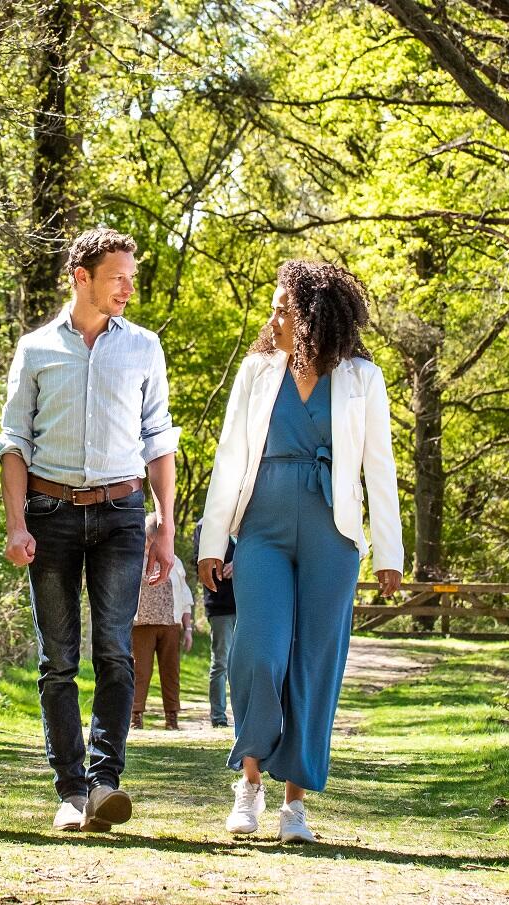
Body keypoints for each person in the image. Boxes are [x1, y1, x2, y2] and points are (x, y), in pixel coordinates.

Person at [197, 260, 404, 844]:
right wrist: (214, 542)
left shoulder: (362, 378)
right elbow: (229, 456)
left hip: (332, 536)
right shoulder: (258, 371)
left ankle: (294, 806)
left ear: (312, 316)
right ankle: (250, 780)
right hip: (260, 528)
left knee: (314, 665)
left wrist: (389, 552)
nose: (274, 317)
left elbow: (379, 469)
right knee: (256, 654)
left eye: (284, 307)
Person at [0, 227, 181, 832]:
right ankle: (71, 791)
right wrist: (16, 523)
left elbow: (158, 440)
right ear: (82, 278)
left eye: (131, 277)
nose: (128, 288)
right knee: (57, 661)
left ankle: (106, 782)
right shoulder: (36, 349)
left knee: (115, 653)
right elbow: (15, 441)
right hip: (49, 517)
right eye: (117, 278)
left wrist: (165, 526)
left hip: (122, 515)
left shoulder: (144, 347)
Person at [130, 511, 194, 731]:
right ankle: (135, 716)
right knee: (140, 671)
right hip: (141, 625)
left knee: (171, 672)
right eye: (149, 538)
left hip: (170, 624)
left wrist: (188, 628)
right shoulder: (134, 560)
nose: (151, 542)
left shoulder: (174, 561)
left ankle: (171, 718)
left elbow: (185, 597)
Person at [194, 523, 237, 729]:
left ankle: (243, 716)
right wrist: (221, 565)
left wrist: (239, 563)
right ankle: (218, 716)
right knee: (221, 661)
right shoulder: (205, 526)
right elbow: (199, 563)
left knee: (246, 663)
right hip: (220, 604)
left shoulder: (246, 520)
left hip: (249, 603)